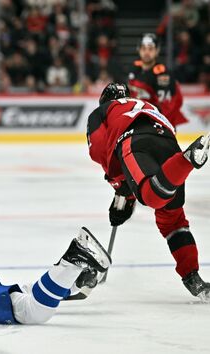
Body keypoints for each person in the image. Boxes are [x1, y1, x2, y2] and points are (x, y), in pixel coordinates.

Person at [86, 82, 210, 301]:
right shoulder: (147, 104)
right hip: (168, 144)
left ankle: (187, 160)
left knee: (150, 196)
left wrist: (121, 191)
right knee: (172, 221)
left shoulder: (101, 112)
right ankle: (193, 278)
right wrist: (126, 194)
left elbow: (100, 151)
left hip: (134, 141)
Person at [128, 33, 188, 128]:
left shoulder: (163, 74)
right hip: (139, 121)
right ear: (139, 50)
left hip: (159, 123)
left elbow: (167, 107)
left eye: (150, 49)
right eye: (143, 48)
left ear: (157, 50)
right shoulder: (134, 69)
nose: (147, 52)